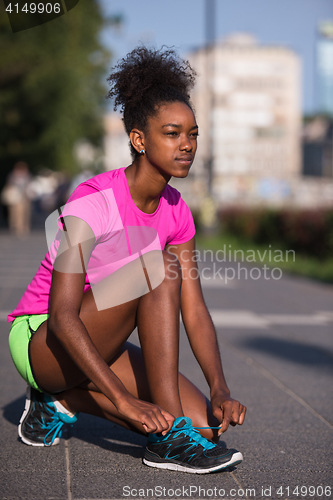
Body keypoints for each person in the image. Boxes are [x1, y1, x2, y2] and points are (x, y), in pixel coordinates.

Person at [8, 47, 246, 474]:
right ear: (139, 139)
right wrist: (124, 399)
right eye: (172, 133)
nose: (187, 145)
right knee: (159, 267)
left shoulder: (177, 211)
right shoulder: (93, 202)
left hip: (102, 336)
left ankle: (65, 399)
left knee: (208, 428)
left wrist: (219, 387)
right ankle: (167, 439)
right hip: (42, 339)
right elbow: (62, 316)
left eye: (193, 134)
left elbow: (193, 310)